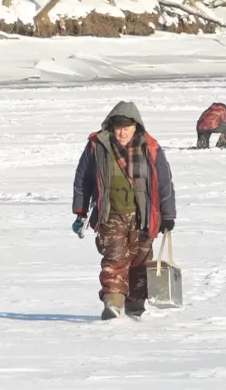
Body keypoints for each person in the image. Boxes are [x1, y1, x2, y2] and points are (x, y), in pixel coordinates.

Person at [72, 101, 177, 320]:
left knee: (140, 259)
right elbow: (83, 178)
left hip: (143, 215)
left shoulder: (150, 147)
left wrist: (168, 215)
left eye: (126, 128)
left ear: (136, 127)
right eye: (118, 128)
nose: (121, 133)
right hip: (110, 213)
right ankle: (112, 303)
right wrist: (80, 211)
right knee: (114, 257)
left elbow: (164, 182)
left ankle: (135, 306)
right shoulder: (97, 146)